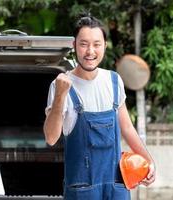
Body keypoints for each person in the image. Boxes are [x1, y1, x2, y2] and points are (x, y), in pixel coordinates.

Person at [43, 13, 155, 200]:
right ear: (74, 46)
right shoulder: (60, 85)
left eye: (96, 44)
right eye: (84, 44)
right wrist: (61, 96)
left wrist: (150, 162)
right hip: (81, 190)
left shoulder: (113, 81)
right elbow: (51, 137)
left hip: (116, 187)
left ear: (104, 46)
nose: (90, 51)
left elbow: (127, 128)